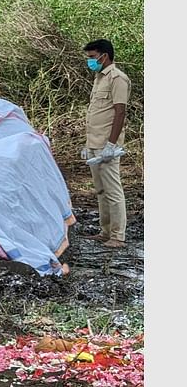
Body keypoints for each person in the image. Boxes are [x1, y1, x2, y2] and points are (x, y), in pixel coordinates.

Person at [80, 39, 131, 249]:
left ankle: (118, 236)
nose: (90, 61)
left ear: (104, 56)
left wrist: (111, 144)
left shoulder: (117, 79)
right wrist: (88, 143)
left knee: (112, 189)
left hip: (107, 145)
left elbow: (120, 112)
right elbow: (97, 113)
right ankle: (106, 231)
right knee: (100, 190)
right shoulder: (98, 78)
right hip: (94, 142)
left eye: (92, 57)